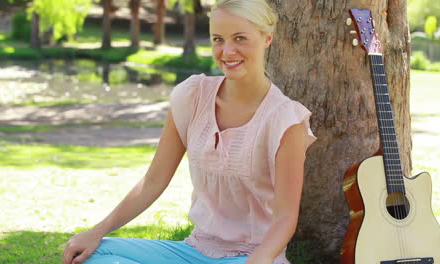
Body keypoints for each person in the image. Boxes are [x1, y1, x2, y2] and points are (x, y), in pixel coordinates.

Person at [62, 0, 316, 263]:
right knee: (96, 253)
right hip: (194, 251)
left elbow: (286, 217)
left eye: (240, 38)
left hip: (254, 255)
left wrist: (258, 260)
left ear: (267, 38)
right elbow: (153, 181)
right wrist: (97, 231)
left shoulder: (287, 120)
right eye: (218, 39)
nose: (227, 51)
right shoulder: (192, 96)